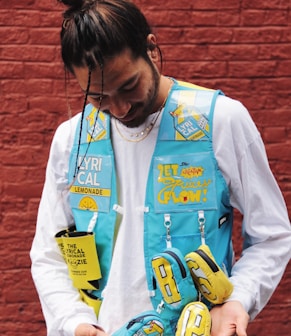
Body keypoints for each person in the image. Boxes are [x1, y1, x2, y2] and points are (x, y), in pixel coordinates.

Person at [30, 1, 291, 336]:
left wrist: (237, 299)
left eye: (128, 86)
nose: (121, 108)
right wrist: (75, 323)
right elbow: (49, 253)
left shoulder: (221, 120)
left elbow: (272, 234)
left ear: (151, 50)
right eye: (98, 98)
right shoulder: (72, 139)